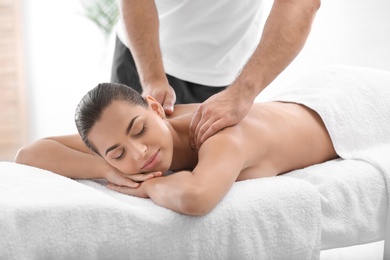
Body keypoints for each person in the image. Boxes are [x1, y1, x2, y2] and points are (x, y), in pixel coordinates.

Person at [15, 82, 337, 216]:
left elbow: (195, 198)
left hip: (339, 109)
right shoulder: (121, 150)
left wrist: (149, 184)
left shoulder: (221, 134)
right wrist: (106, 170)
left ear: (155, 108)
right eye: (117, 153)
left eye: (139, 129)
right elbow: (29, 155)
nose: (139, 153)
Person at [112, 0, 321, 149]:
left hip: (223, 81)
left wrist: (242, 93)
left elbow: (301, 3)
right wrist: (152, 78)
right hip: (141, 56)